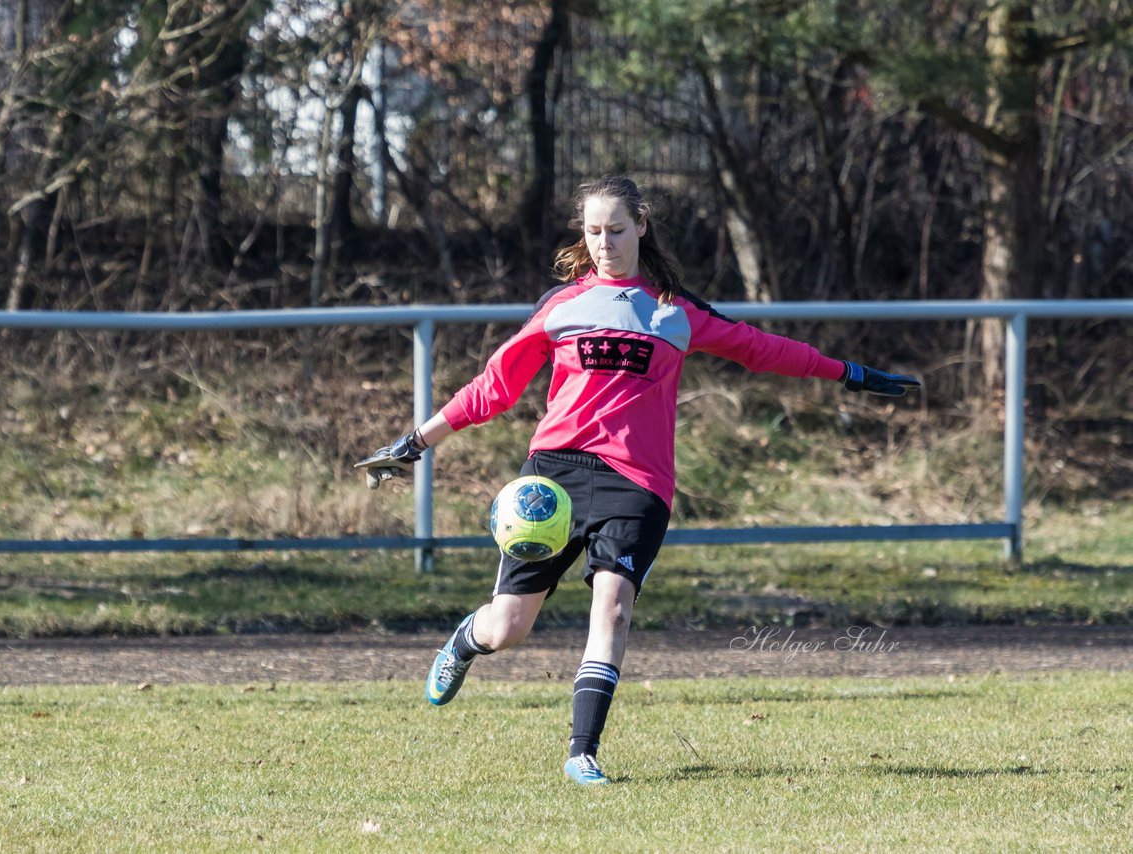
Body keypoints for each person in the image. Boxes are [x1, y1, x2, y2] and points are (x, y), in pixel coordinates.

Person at [356, 175, 919, 786]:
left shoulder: (676, 311)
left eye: (616, 230)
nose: (604, 243)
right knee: (509, 627)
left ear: (641, 226)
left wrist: (848, 373)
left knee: (614, 609)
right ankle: (468, 640)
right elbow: (494, 388)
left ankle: (581, 752)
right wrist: (414, 443)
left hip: (638, 483)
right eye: (592, 232)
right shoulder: (562, 306)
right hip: (554, 479)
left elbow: (762, 349)